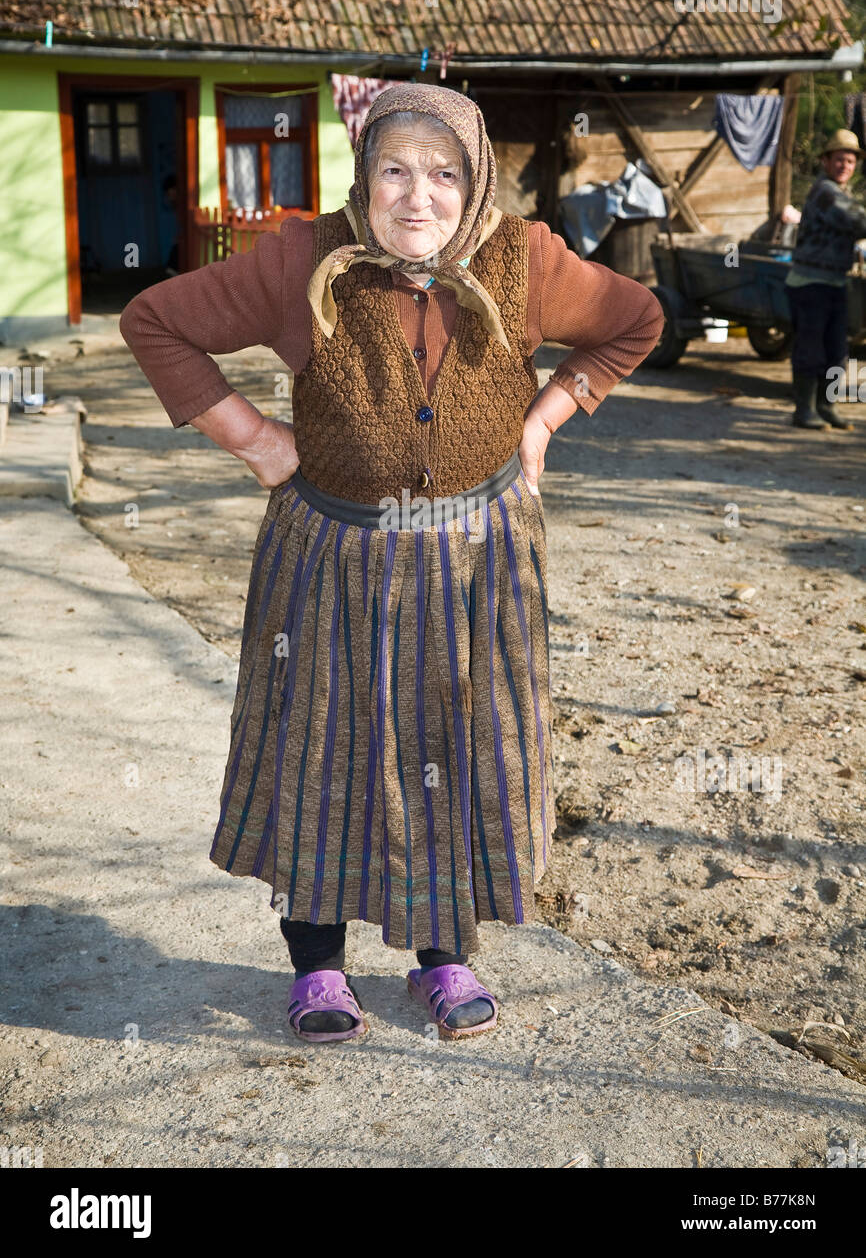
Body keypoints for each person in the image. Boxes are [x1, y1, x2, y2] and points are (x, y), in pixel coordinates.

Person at [119, 83, 663, 1044]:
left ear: (476, 176)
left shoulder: (521, 256)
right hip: (332, 561)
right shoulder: (302, 258)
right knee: (320, 751)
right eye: (395, 172)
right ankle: (319, 969)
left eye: (445, 173)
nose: (420, 197)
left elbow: (635, 320)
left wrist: (547, 418)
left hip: (477, 566)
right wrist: (256, 441)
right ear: (363, 177)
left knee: (458, 753)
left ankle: (443, 958)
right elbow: (156, 323)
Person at [786, 128, 866, 429]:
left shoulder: (840, 192)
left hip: (833, 281)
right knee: (811, 348)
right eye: (839, 159)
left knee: (836, 349)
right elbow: (857, 221)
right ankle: (803, 410)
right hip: (809, 282)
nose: (845, 165)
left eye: (850, 161)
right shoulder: (826, 192)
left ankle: (825, 405)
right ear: (825, 161)